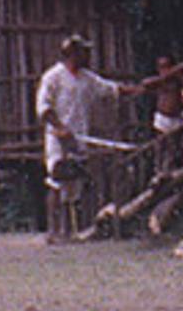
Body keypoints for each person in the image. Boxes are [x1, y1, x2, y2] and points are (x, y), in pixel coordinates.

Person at [34, 34, 127, 243]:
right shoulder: (53, 77)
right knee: (57, 180)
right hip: (58, 139)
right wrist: (60, 127)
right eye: (83, 51)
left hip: (79, 139)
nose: (87, 55)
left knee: (74, 186)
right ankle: (54, 231)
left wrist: (139, 88)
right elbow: (44, 108)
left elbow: (110, 89)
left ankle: (70, 231)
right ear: (73, 54)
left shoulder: (87, 78)